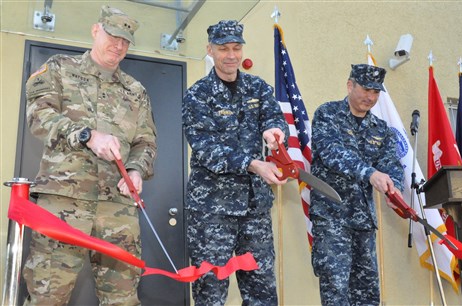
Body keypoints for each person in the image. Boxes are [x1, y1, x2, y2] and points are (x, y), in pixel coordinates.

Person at [23, 5, 157, 305]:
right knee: (48, 295)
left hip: (118, 209)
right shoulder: (59, 68)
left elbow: (146, 142)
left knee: (123, 298)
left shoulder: (136, 91)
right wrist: (87, 135)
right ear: (96, 30)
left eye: (125, 41)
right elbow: (38, 116)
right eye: (113, 36)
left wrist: (136, 170)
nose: (118, 45)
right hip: (63, 201)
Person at [182, 20, 289, 306]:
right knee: (210, 290)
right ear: (210, 50)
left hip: (255, 208)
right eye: (223, 48)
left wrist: (276, 133)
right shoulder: (197, 95)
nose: (231, 55)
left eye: (236, 47)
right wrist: (254, 163)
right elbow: (206, 150)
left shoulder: (259, 88)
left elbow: (275, 121)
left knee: (262, 290)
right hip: (211, 210)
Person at [310, 64, 404, 306]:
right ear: (350, 85)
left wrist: (395, 191)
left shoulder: (380, 129)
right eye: (365, 90)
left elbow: (391, 164)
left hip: (363, 222)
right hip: (332, 219)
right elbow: (332, 153)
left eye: (375, 92)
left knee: (367, 292)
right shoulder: (327, 114)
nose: (370, 97)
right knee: (336, 288)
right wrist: (369, 173)